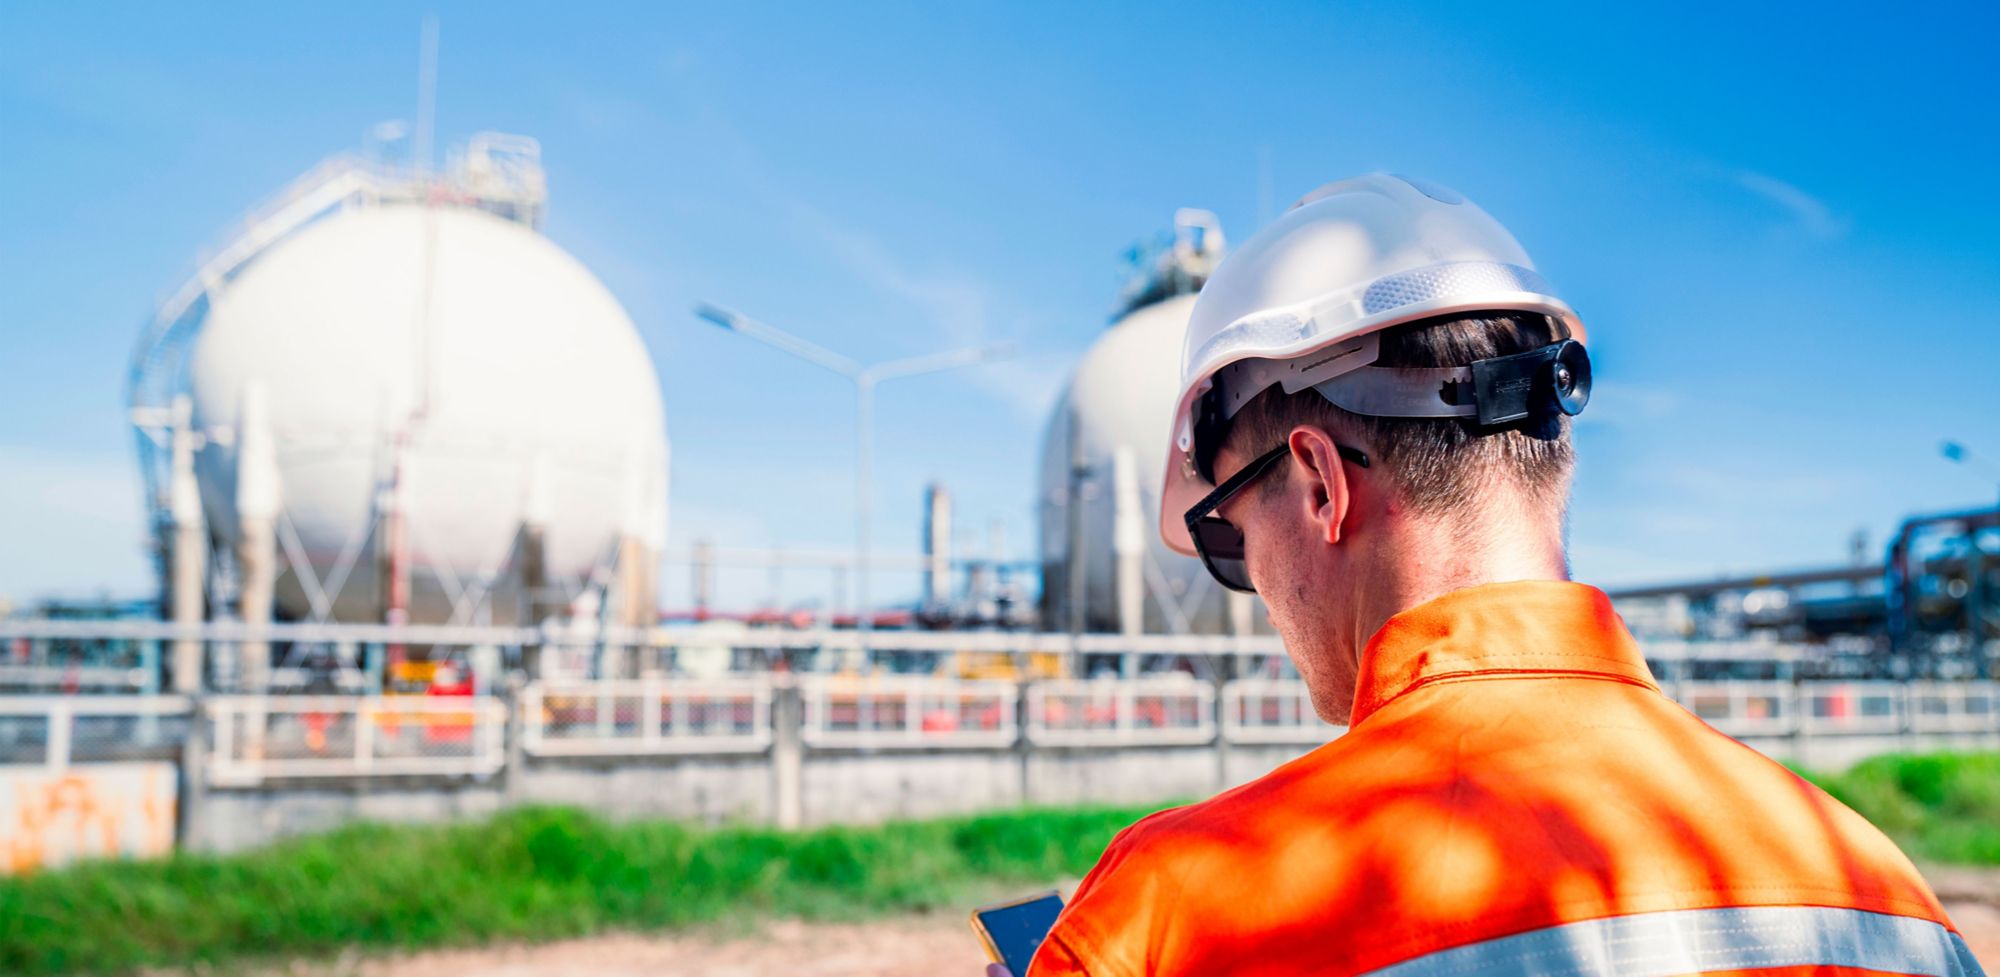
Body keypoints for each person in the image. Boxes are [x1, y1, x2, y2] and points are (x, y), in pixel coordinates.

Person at [991, 174, 1983, 976]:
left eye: (1225, 537)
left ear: (1318, 485)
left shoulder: (1175, 914)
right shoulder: (1881, 894)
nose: (1242, 580)